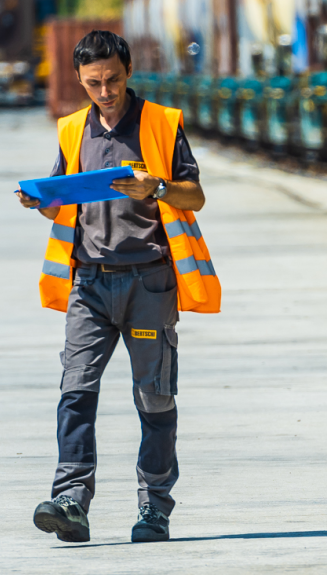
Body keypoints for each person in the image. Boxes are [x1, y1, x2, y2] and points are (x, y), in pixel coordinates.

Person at [17, 31, 221, 544]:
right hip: (89, 283)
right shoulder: (71, 130)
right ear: (80, 80)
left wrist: (155, 187)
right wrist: (39, 200)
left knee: (154, 400)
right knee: (75, 393)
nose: (103, 91)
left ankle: (154, 508)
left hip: (149, 283)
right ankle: (70, 501)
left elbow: (193, 196)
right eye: (92, 83)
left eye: (111, 80)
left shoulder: (161, 123)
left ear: (128, 70)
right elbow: (62, 196)